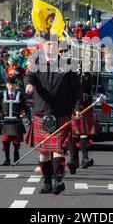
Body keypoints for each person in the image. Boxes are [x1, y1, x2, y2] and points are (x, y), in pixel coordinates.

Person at [24, 36, 82, 195]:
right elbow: (28, 77)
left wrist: (77, 107)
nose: (51, 47)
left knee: (58, 149)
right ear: (43, 46)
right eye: (48, 44)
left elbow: (76, 89)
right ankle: (47, 182)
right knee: (44, 151)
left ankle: (58, 180)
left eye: (54, 44)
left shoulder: (67, 65)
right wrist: (28, 85)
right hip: (42, 112)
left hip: (61, 112)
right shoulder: (37, 64)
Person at [67, 70, 98, 174]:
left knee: (83, 133)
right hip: (73, 105)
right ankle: (74, 160)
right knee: (74, 134)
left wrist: (86, 74)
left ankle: (83, 159)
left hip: (85, 106)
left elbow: (92, 84)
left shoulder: (90, 75)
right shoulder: (70, 73)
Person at [0, 76, 27, 166]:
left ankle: (16, 154)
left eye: (13, 85)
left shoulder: (20, 94)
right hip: (5, 120)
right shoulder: (2, 94)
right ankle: (7, 159)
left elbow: (24, 106)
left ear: (15, 85)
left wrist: (23, 112)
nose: (11, 86)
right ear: (6, 85)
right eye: (9, 84)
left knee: (16, 141)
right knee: (6, 141)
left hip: (16, 120)